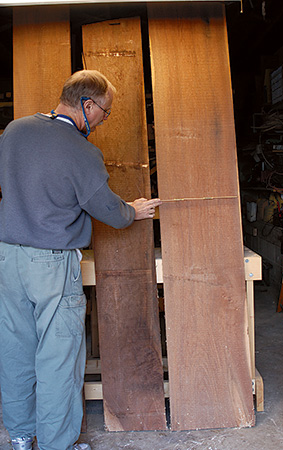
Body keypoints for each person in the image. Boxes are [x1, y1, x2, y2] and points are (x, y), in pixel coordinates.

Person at [0, 70, 162, 450]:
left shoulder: (15, 130)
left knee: (15, 347)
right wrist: (131, 211)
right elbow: (104, 207)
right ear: (87, 105)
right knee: (58, 356)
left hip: (7, 257)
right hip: (51, 264)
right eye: (104, 113)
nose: (104, 122)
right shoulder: (81, 150)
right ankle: (58, 444)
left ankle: (21, 436)